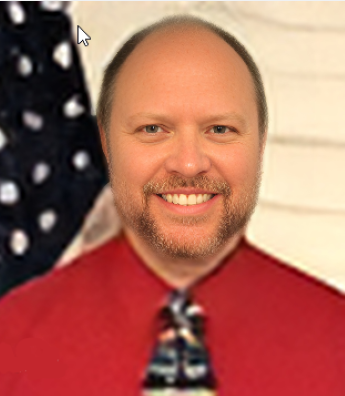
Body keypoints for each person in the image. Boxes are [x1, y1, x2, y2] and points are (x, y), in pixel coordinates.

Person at [0, 15, 344, 396]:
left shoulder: (337, 343)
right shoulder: (11, 346)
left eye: (220, 130)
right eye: (153, 130)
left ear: (259, 143)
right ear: (108, 144)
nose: (188, 162)